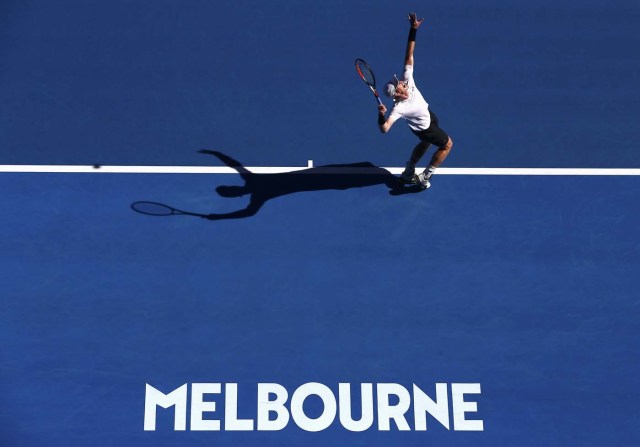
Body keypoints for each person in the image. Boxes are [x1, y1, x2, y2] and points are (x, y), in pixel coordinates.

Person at [377, 12, 453, 190]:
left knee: (426, 143)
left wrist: (413, 29)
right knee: (448, 144)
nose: (401, 81)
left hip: (427, 115)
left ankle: (408, 172)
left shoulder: (407, 79)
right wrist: (381, 115)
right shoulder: (399, 109)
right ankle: (426, 174)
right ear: (397, 93)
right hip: (425, 128)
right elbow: (384, 129)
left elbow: (409, 53)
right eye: (399, 84)